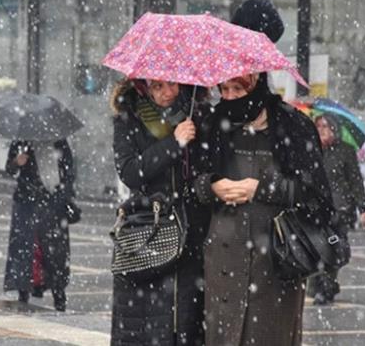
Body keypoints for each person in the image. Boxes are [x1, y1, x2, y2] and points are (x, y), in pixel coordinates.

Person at [194, 72, 335, 346]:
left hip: (276, 260)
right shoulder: (212, 123)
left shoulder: (293, 126)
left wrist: (260, 188)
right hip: (223, 261)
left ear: (257, 83)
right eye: (224, 89)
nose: (230, 96)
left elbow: (315, 194)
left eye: (237, 88)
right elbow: (193, 184)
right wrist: (211, 186)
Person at [110, 79, 211, 345]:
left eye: (172, 85)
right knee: (146, 325)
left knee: (186, 322)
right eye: (157, 86)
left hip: (191, 230)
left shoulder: (197, 113)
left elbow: (210, 168)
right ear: (142, 87)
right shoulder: (128, 116)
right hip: (147, 229)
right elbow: (131, 172)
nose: (167, 92)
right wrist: (173, 144)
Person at [3, 138, 74, 311]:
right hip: (27, 205)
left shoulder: (59, 142)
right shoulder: (21, 143)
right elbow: (10, 169)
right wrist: (17, 162)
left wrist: (62, 194)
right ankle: (24, 291)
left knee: (55, 253)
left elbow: (69, 172)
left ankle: (59, 295)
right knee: (26, 249)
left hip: (52, 206)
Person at [308, 114, 365, 305]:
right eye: (318, 126)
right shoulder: (310, 150)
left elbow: (355, 181)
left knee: (333, 248)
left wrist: (363, 207)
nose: (322, 130)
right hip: (315, 209)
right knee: (316, 249)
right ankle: (321, 285)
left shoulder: (345, 151)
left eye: (326, 126)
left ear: (334, 129)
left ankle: (326, 286)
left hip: (340, 210)